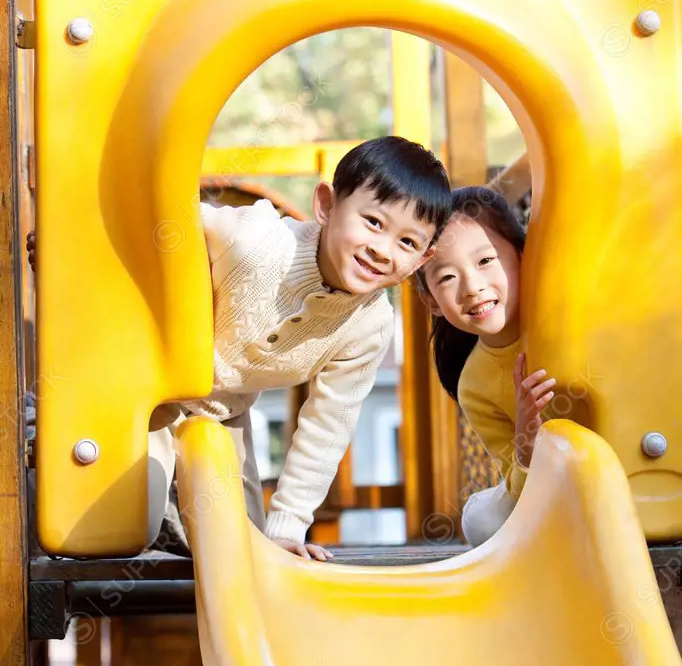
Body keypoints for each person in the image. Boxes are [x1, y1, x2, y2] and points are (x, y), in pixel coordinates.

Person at [28, 136, 452, 559]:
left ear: (422, 259)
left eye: (408, 243)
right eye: (374, 223)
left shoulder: (369, 327)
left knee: (245, 549)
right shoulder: (254, 242)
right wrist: (75, 247)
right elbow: (158, 228)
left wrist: (289, 526)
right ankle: (49, 437)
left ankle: (180, 516)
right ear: (326, 205)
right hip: (145, 393)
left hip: (222, 414)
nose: (382, 250)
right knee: (128, 522)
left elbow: (328, 426)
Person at [416, 186, 556, 546]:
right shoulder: (475, 383)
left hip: (626, 466)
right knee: (482, 521)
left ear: (525, 254)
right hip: (552, 497)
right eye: (447, 277)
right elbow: (522, 490)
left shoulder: (566, 318)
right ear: (431, 301)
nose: (472, 287)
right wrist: (528, 434)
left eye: (485, 261)